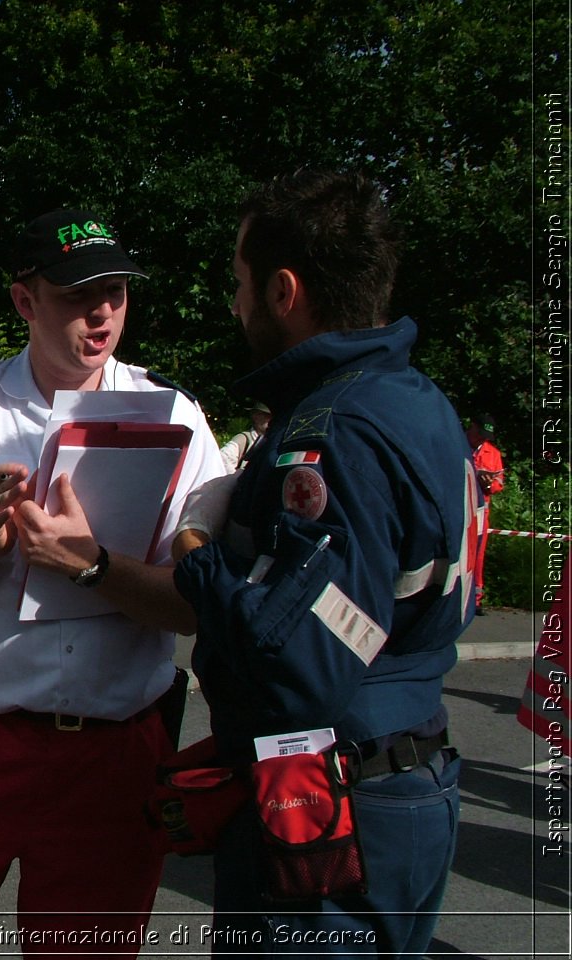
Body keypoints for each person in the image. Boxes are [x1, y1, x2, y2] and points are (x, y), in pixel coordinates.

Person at [0, 208, 225, 956]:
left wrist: (92, 568)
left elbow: (198, 607)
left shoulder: (176, 417)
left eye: (118, 292)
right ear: (25, 301)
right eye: (77, 295)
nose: (103, 312)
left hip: (113, 751)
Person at [171, 170, 475, 955]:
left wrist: (198, 550)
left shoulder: (331, 432)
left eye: (238, 283)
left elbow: (299, 663)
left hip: (336, 799)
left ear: (283, 290)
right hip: (410, 773)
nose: (233, 304)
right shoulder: (418, 400)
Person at [466, 413, 505, 613]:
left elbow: (499, 482)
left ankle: (476, 600)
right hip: (460, 508)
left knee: (478, 556)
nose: (481, 438)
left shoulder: (493, 454)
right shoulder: (457, 446)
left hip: (481, 513)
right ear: (472, 426)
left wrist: (490, 485)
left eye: (485, 436)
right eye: (479, 433)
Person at [218, 401, 272, 472]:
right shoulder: (244, 439)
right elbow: (222, 459)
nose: (272, 419)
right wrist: (236, 479)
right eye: (268, 416)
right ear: (255, 416)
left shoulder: (272, 440)